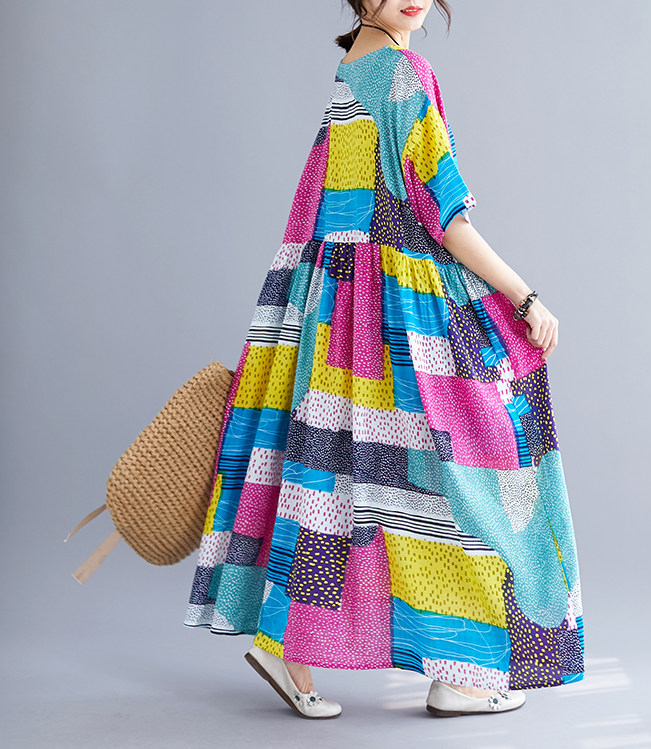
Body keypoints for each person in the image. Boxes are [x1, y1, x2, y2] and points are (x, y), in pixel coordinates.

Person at [183, 0, 584, 720]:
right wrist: (525, 296)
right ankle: (460, 672)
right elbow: (445, 217)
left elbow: (329, 213)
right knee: (457, 477)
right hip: (392, 315)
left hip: (333, 312)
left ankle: (288, 643)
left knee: (338, 481)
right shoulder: (402, 73)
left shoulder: (351, 71)